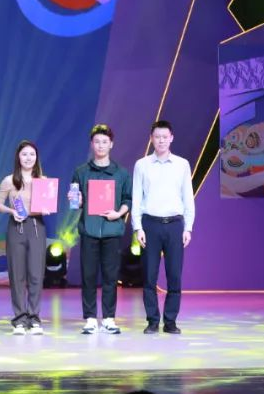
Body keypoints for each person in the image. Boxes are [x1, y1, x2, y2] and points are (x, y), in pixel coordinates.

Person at [132, 120, 195, 334]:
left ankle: (170, 321)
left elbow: (188, 197)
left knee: (174, 276)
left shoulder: (182, 164)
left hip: (175, 224)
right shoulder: (142, 165)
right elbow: (136, 198)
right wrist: (138, 227)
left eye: (165, 137)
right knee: (149, 276)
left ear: (171, 138)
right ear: (151, 139)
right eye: (157, 137)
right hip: (150, 224)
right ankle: (152, 321)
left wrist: (188, 227)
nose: (161, 140)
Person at [71, 123, 132, 335]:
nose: (100, 145)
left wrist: (119, 213)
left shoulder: (121, 173)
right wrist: (76, 200)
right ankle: (90, 318)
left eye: (104, 141)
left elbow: (128, 199)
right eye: (97, 141)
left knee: (110, 276)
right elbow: (76, 202)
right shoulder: (81, 172)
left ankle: (108, 318)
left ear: (111, 144)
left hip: (112, 231)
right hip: (89, 231)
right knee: (88, 276)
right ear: (92, 144)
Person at [0, 140, 49, 335]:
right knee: (17, 275)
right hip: (16, 227)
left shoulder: (43, 180)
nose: (28, 158)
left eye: (32, 154)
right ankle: (19, 319)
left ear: (36, 158)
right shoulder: (9, 180)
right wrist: (11, 211)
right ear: (18, 157)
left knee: (36, 274)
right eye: (24, 154)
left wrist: (46, 208)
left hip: (36, 227)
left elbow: (47, 204)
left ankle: (34, 318)